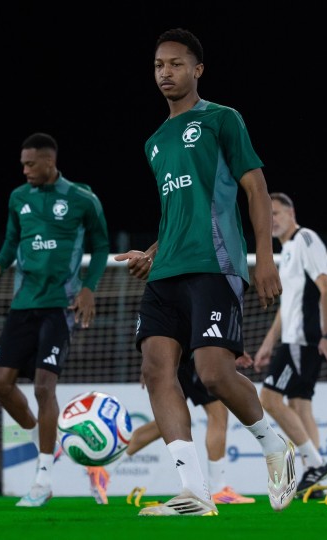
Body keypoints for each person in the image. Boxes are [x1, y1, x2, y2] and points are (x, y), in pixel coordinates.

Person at [114, 28, 296, 517]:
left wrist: (263, 257)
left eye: (175, 64)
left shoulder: (221, 119)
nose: (165, 73)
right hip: (166, 272)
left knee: (214, 374)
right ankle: (194, 491)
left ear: (197, 70)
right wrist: (152, 253)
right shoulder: (154, 142)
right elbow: (179, 211)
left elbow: (255, 188)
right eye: (158, 65)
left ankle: (274, 445)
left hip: (215, 264)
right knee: (155, 370)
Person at [0, 132, 110, 507]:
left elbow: (101, 245)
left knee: (43, 387)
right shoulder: (18, 198)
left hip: (61, 305)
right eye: (22, 164)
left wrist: (89, 289)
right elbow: (12, 240)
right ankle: (49, 441)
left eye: (30, 164)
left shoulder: (82, 198)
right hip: (24, 303)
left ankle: (43, 479)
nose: (24, 170)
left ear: (49, 162)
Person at [252, 192, 327, 500]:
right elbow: (287, 305)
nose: (271, 219)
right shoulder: (287, 250)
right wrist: (267, 343)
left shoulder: (305, 239)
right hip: (292, 338)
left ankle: (316, 464)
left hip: (303, 338)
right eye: (268, 215)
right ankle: (315, 482)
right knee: (300, 406)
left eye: (276, 213)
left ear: (291, 213)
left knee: (269, 399)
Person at [93, 354, 258, 505]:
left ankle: (105, 465)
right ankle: (218, 489)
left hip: (177, 359)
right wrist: (231, 348)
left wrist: (151, 361)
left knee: (167, 422)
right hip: (197, 357)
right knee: (218, 415)